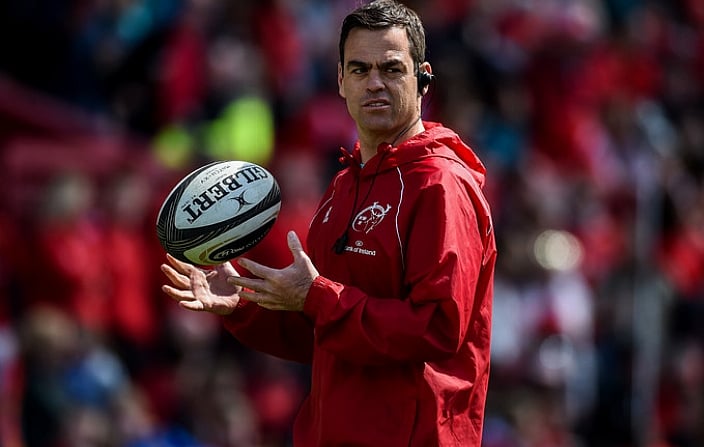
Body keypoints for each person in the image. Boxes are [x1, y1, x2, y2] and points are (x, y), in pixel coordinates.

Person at [161, 1, 497, 445]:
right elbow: (323, 333)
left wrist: (317, 297)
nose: (374, 83)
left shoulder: (439, 185)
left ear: (422, 77)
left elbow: (437, 328)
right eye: (359, 69)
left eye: (391, 69)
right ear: (340, 80)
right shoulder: (344, 185)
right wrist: (241, 304)